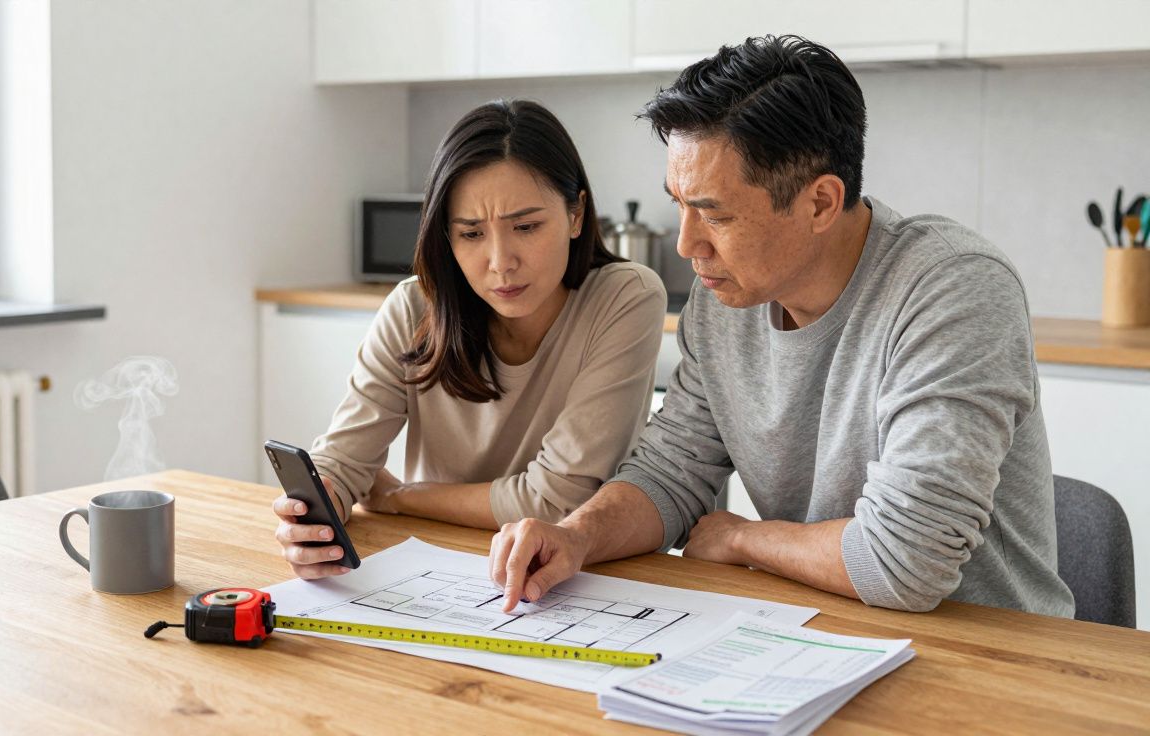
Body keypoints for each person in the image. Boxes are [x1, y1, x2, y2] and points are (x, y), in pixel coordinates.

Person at [490, 36, 1075, 617]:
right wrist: (576, 537)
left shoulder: (955, 290)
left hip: (992, 652)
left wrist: (744, 537)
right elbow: (670, 474)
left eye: (714, 213)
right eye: (679, 204)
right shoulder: (723, 299)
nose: (687, 242)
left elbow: (908, 562)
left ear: (821, 203)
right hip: (821, 626)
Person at [274, 100, 667, 580]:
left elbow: (558, 500)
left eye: (526, 227)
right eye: (471, 233)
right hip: (434, 560)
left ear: (577, 214)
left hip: (579, 575)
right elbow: (342, 461)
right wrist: (316, 512)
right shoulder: (414, 307)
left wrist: (400, 497)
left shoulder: (626, 297)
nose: (501, 262)